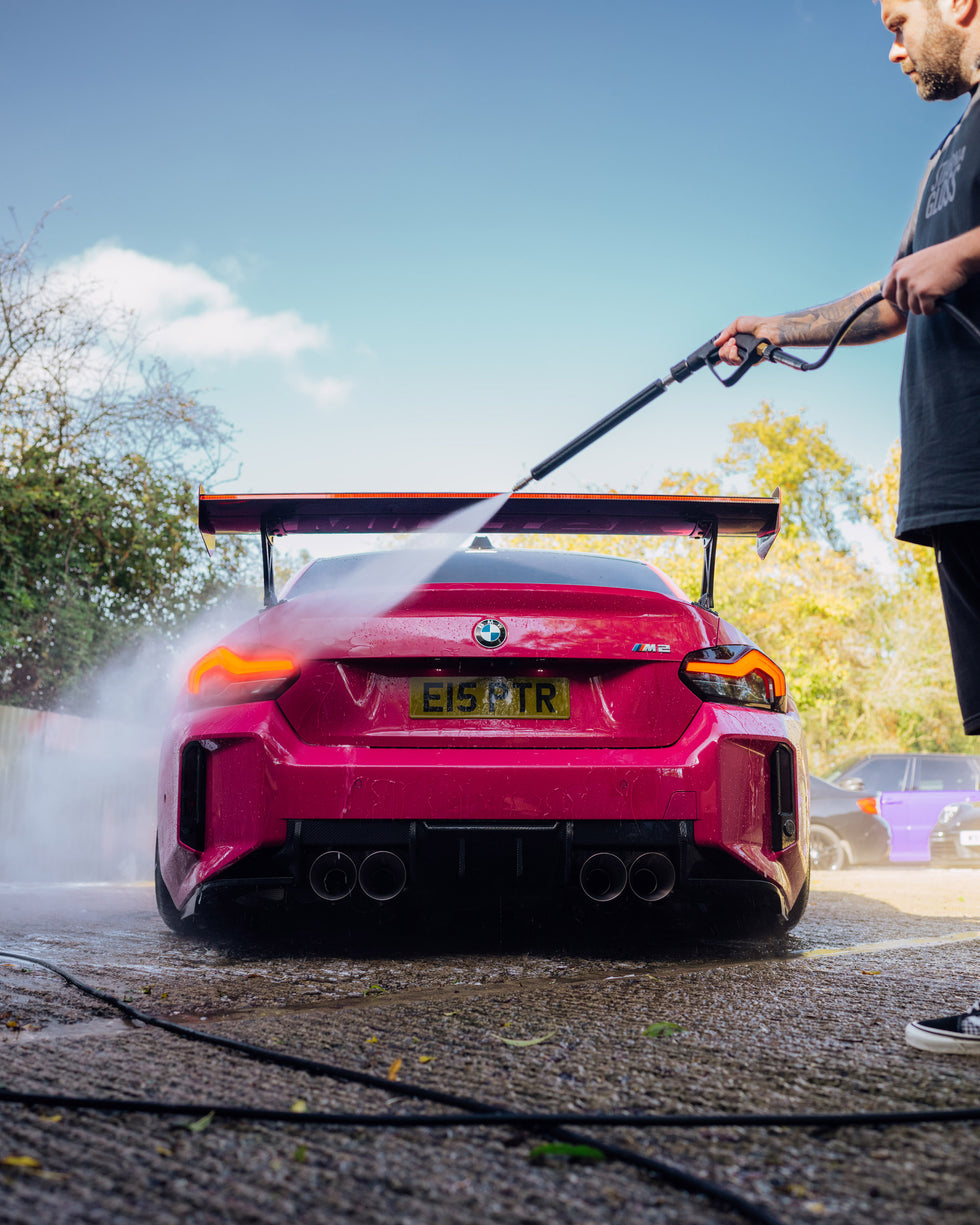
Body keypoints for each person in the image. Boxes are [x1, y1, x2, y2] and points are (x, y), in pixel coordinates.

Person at [715, 0, 980, 1055]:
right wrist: (773, 331)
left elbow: (943, 269)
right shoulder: (948, 149)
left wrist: (967, 253)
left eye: (898, 19)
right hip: (957, 479)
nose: (891, 46)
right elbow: (891, 299)